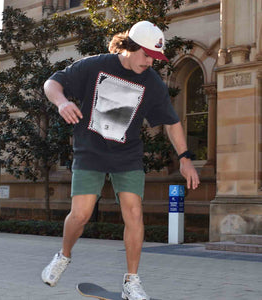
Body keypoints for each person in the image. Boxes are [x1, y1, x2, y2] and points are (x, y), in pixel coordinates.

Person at [41, 20, 200, 300]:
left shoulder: (151, 82)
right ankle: (63, 256)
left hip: (127, 154)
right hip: (91, 150)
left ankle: (132, 281)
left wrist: (185, 157)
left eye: (155, 57)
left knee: (134, 213)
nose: (151, 62)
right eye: (147, 55)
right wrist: (62, 102)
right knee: (80, 215)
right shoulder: (95, 66)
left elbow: (171, 122)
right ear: (131, 47)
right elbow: (52, 83)